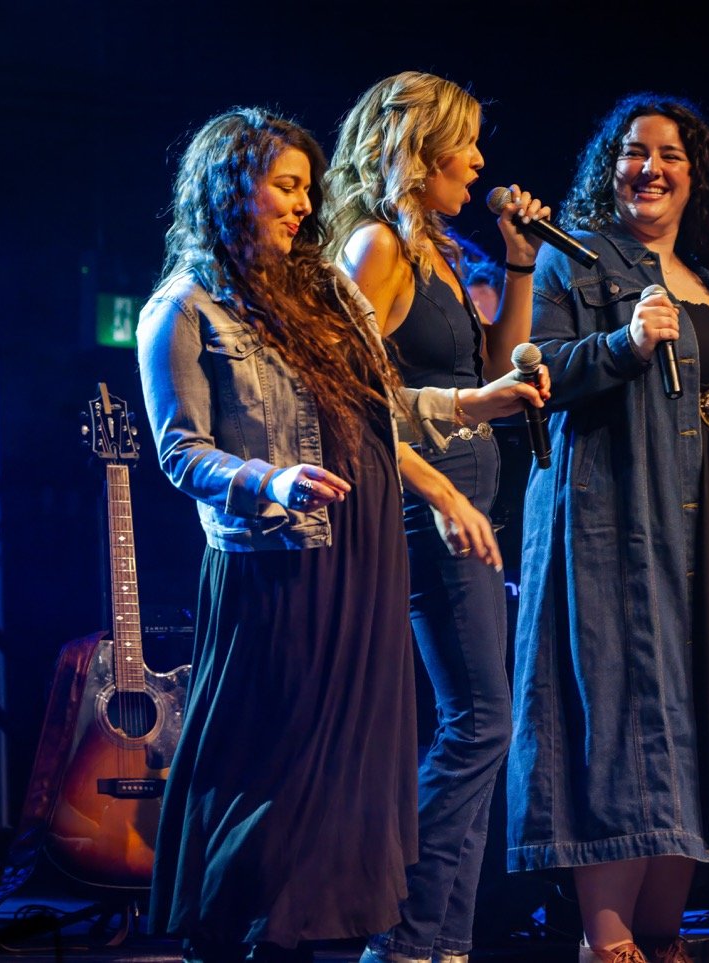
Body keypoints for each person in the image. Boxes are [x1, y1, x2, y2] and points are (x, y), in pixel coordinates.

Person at [136, 107, 537, 963]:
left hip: (363, 551)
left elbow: (377, 409)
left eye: (307, 189)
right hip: (277, 562)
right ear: (230, 188)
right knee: (269, 778)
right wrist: (269, 480)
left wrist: (472, 405)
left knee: (336, 790)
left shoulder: (320, 291)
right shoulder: (182, 307)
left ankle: (300, 944)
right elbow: (181, 452)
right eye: (285, 187)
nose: (302, 206)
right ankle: (228, 941)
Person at [505, 93, 709, 963]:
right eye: (633, 153)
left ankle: (661, 934)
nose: (649, 169)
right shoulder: (574, 258)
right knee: (627, 708)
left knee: (700, 717)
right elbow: (532, 375)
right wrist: (624, 345)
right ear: (609, 169)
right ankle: (607, 939)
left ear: (695, 178)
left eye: (670, 155)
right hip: (622, 518)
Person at [324, 71, 551, 963]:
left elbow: (496, 365)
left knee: (486, 726)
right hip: (426, 510)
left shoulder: (439, 250)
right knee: (480, 722)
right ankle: (403, 937)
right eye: (467, 144)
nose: (482, 162)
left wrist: (520, 260)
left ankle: (445, 942)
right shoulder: (377, 247)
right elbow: (349, 399)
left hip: (471, 506)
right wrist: (441, 493)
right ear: (419, 151)